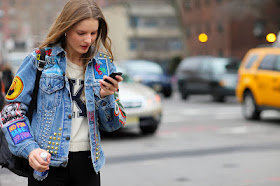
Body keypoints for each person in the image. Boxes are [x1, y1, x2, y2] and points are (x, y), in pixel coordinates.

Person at [0, 0, 126, 185]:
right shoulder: (40, 60)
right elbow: (11, 112)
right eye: (81, 33)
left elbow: (113, 125)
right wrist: (29, 149)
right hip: (46, 165)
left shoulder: (103, 66)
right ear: (66, 28)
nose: (88, 40)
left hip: (89, 166)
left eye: (93, 33)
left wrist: (106, 97)